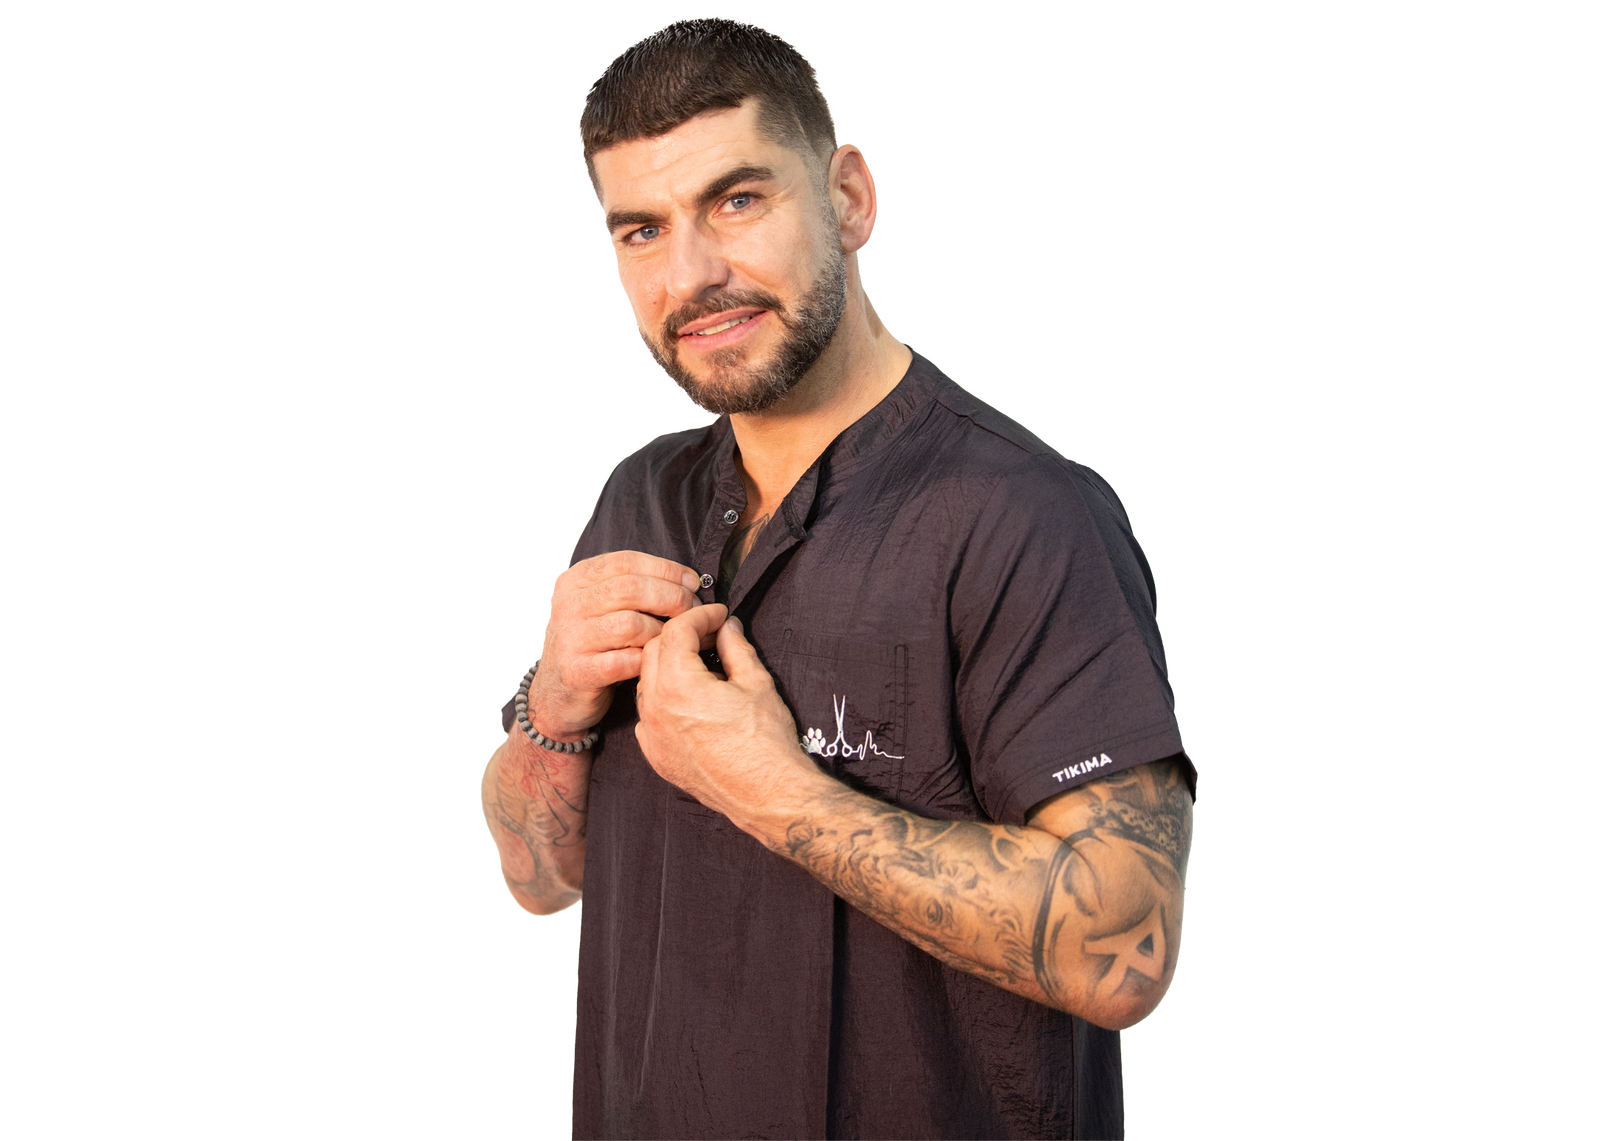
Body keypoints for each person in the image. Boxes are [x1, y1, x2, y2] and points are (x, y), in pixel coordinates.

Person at [478, 15, 1199, 1140]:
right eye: (642, 230)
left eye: (737, 200)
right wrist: (554, 705)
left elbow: (1127, 953)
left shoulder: (1029, 514)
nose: (692, 275)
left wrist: (775, 789)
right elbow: (540, 878)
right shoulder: (640, 496)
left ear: (850, 196)